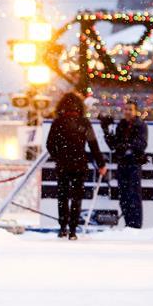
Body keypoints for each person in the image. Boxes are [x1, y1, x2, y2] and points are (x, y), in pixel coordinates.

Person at [46, 92, 107, 240]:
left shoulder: (58, 122)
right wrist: (101, 164)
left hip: (63, 165)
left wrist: (58, 157)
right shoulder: (84, 123)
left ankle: (62, 228)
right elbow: (93, 145)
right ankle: (73, 230)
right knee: (76, 198)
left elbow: (50, 145)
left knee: (63, 197)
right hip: (79, 164)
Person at [100, 100, 148, 229]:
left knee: (134, 195)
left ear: (135, 111)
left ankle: (136, 225)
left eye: (130, 109)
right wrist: (105, 130)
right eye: (125, 109)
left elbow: (141, 144)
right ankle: (128, 223)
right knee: (124, 195)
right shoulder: (121, 125)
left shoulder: (141, 125)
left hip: (134, 164)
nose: (127, 112)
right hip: (122, 164)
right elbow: (113, 145)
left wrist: (126, 147)